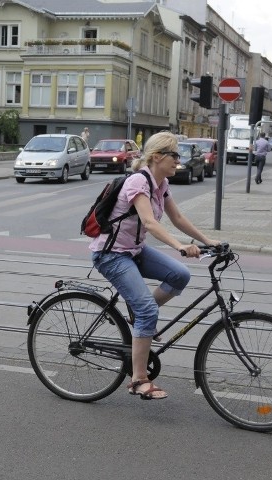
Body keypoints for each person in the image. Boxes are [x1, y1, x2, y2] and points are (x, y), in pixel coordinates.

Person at [89, 131, 220, 400]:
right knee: (149, 310)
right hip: (111, 254)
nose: (178, 160)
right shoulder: (139, 181)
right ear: (158, 156)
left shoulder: (160, 184)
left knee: (179, 275)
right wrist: (180, 246)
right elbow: (149, 222)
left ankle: (140, 318)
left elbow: (178, 217)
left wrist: (208, 241)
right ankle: (138, 379)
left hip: (134, 250)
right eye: (175, 155)